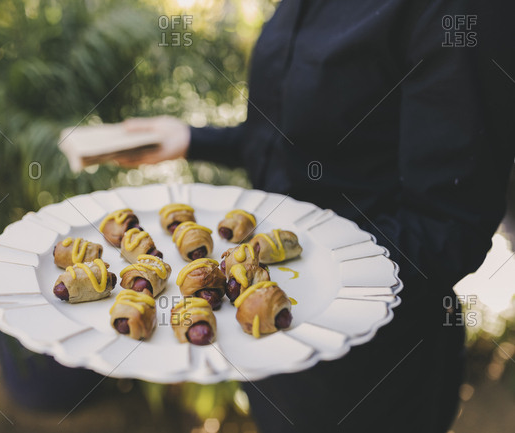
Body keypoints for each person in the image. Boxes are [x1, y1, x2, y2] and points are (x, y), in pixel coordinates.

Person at [115, 0, 515, 431]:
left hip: (373, 376)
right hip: (274, 350)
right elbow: (292, 144)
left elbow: (449, 227)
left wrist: (281, 280)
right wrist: (193, 139)